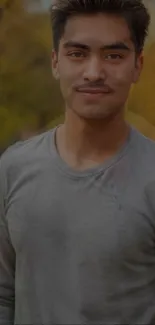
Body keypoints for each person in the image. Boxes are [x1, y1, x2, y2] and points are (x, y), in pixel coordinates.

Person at [0, 0, 155, 324]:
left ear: (137, 65)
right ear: (56, 62)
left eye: (114, 55)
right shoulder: (12, 169)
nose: (94, 72)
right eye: (77, 53)